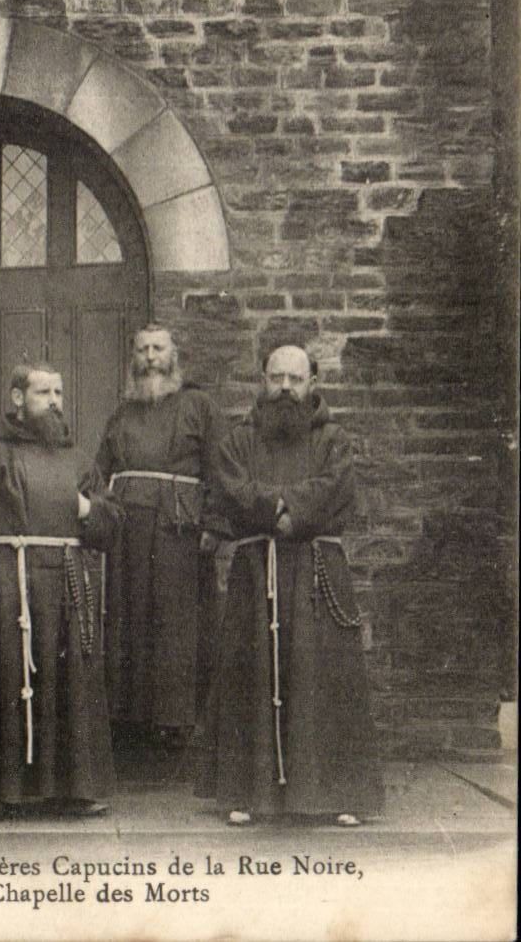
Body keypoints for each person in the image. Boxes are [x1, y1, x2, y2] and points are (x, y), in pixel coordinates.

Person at [196, 343, 384, 826]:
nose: (284, 388)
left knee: (325, 675)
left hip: (317, 567)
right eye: (276, 377)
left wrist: (287, 510)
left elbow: (334, 487)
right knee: (250, 672)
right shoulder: (239, 439)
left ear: (312, 383)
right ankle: (245, 794)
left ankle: (338, 796)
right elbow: (229, 486)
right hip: (257, 566)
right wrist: (274, 510)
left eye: (294, 379)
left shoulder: (334, 439)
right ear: (262, 379)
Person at [0, 363, 121, 821]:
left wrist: (88, 509)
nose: (55, 401)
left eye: (59, 391)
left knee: (71, 687)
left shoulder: (80, 460)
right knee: (3, 684)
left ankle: (75, 789)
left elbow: (110, 525)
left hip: (66, 586)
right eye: (44, 392)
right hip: (9, 586)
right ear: (18, 399)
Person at [89, 323, 227, 747]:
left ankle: (177, 722)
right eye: (142, 349)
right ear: (134, 358)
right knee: (129, 619)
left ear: (174, 356)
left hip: (177, 530)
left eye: (158, 348)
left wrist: (216, 524)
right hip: (128, 532)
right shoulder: (123, 413)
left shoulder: (198, 405)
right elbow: (99, 472)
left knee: (176, 624)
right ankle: (129, 718)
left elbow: (221, 468)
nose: (150, 356)